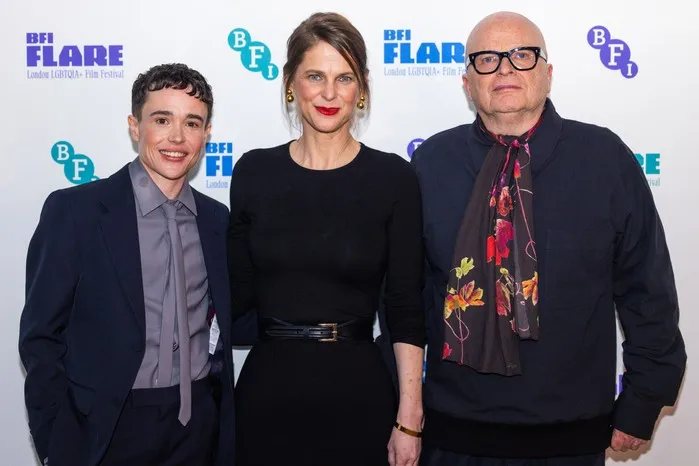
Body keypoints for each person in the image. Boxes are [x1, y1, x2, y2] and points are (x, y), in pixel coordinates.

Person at [410, 11, 687, 466]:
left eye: (521, 55)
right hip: (452, 439)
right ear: (466, 82)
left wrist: (643, 401)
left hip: (571, 443)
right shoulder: (431, 163)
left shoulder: (605, 160)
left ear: (548, 73)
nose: (504, 68)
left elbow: (648, 292)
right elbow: (405, 297)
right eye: (486, 59)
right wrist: (404, 411)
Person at [19, 63, 255, 466]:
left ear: (206, 135)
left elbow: (232, 317)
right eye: (162, 119)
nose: (177, 137)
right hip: (107, 429)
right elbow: (41, 337)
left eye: (192, 123)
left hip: (198, 426)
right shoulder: (78, 212)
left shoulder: (217, 220)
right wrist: (58, 440)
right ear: (134, 126)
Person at [227, 12, 425, 466]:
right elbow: (233, 295)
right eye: (316, 76)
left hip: (360, 394)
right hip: (266, 395)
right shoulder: (254, 174)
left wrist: (409, 417)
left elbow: (405, 306)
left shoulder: (392, 177)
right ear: (291, 83)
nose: (330, 93)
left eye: (345, 78)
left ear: (362, 88)